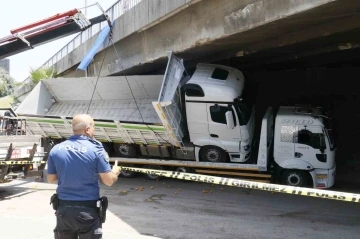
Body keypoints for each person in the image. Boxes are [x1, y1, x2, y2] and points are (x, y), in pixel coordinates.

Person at [46, 114, 121, 239]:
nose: (94, 130)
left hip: (63, 211)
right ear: (87, 129)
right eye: (94, 127)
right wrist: (115, 171)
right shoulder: (96, 149)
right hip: (88, 211)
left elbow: (51, 179)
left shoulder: (56, 149)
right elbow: (108, 181)